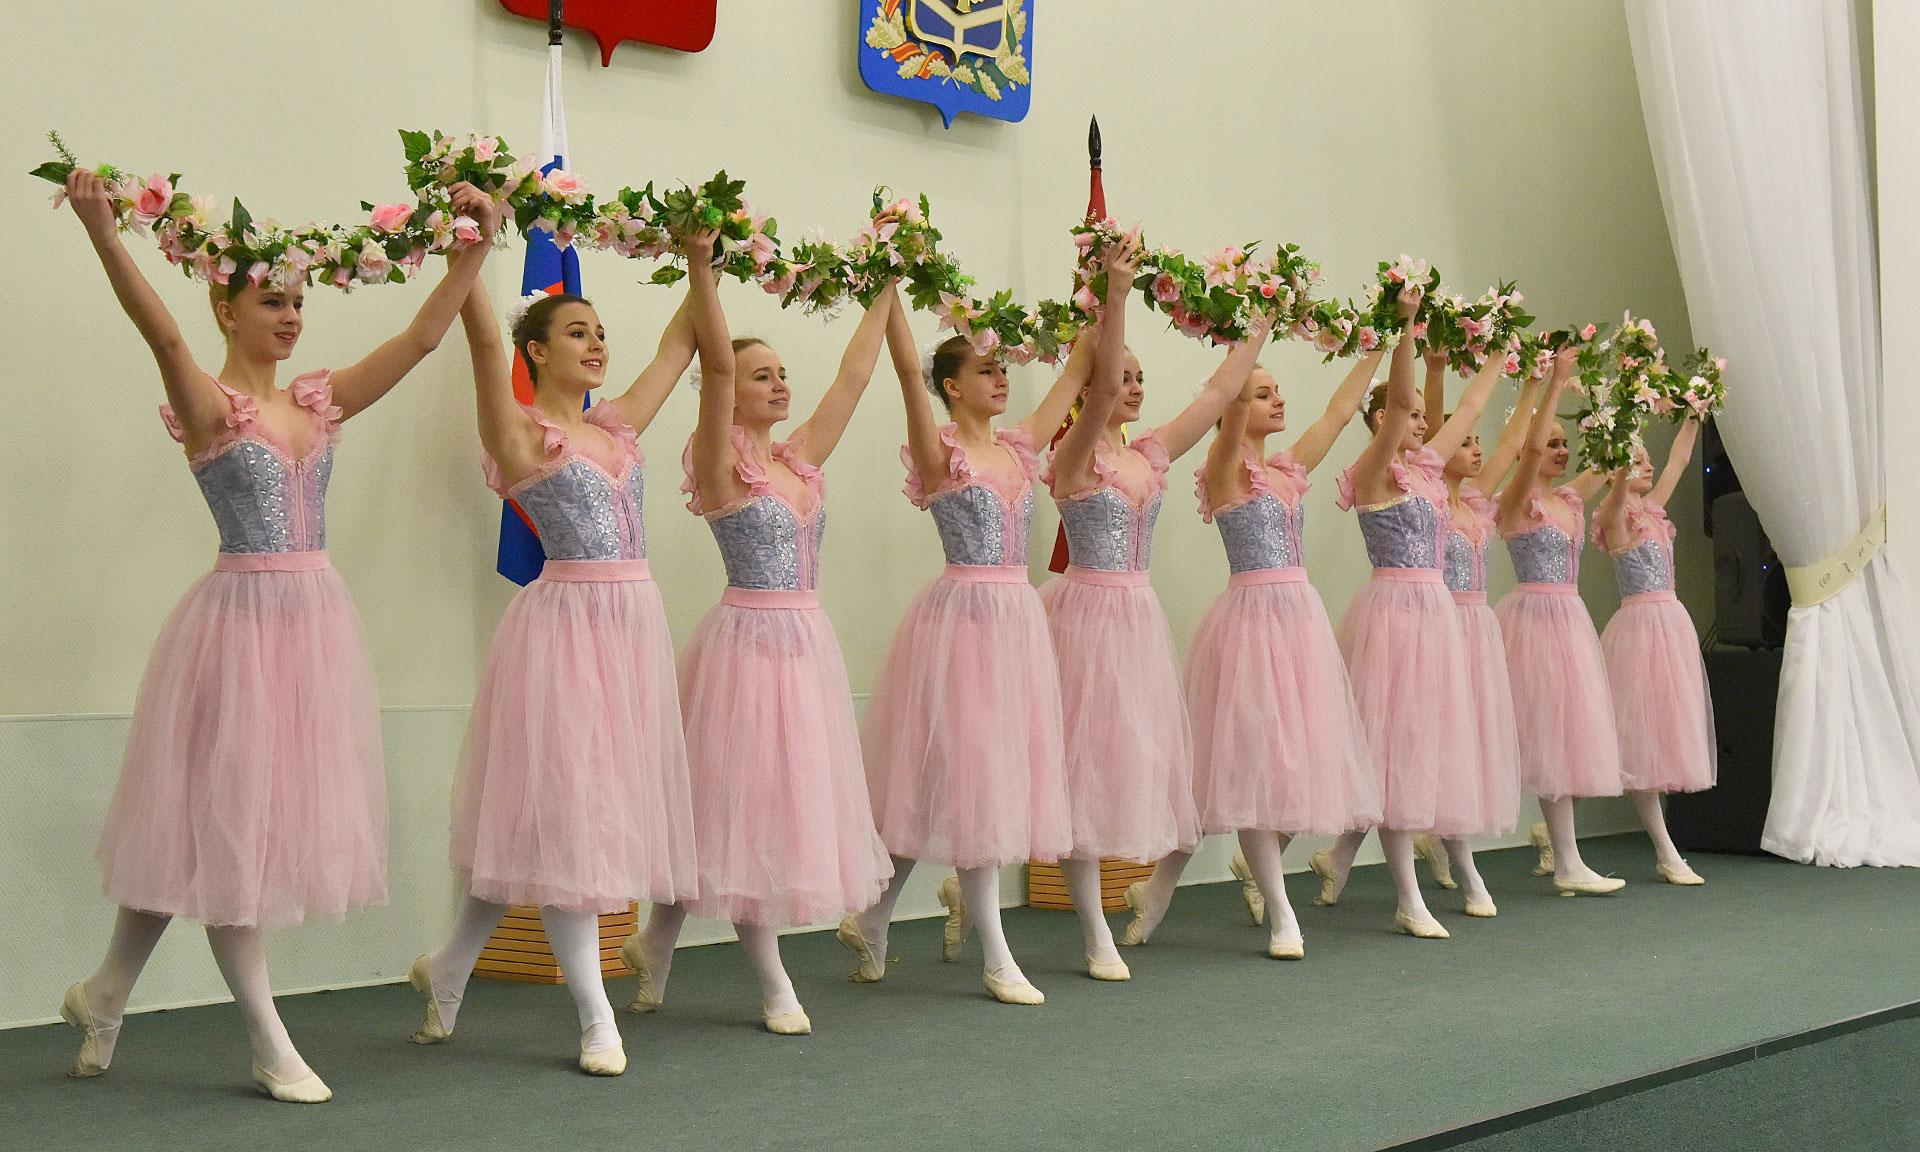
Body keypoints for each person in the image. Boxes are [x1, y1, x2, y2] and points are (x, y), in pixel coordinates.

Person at [58, 168, 498, 1101]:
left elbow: (421, 340)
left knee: (203, 829)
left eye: (299, 301)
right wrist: (105, 234)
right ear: (228, 310)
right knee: (233, 835)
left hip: (312, 629)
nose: (292, 316)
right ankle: (269, 1041)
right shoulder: (212, 405)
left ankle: (104, 994)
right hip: (238, 634)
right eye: (272, 301)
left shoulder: (317, 401)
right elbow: (162, 333)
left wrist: (475, 251)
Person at [405, 233, 715, 1076]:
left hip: (631, 632)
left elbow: (680, 343)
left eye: (600, 332)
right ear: (537, 352)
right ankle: (595, 1016)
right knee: (569, 821)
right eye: (577, 332)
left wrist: (701, 262)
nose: (597, 343)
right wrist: (472, 247)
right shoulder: (519, 433)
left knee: (545, 824)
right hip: (564, 634)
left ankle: (448, 967)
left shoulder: (618, 428)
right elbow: (482, 342)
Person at [621, 265, 896, 1036]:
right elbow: (712, 370)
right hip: (746, 647)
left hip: (806, 645)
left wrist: (887, 280)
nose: (778, 385)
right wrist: (703, 269)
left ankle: (656, 942)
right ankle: (775, 984)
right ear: (731, 393)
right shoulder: (719, 464)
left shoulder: (799, 458)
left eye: (781, 374)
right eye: (760, 376)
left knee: (747, 811)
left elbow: (854, 376)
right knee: (746, 812)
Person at [837, 300, 1091, 1004]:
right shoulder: (939, 450)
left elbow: (1077, 372)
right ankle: (998, 958)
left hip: (1016, 623)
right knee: (971, 777)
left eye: (1003, 368)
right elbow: (905, 376)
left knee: (963, 780)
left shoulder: (1018, 447)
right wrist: (891, 291)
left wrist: (1111, 288)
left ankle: (873, 917)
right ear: (952, 386)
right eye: (986, 370)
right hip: (963, 626)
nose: (1001, 378)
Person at [1593, 420, 1712, 884]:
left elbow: (1679, 459)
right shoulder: (1614, 514)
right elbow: (1616, 489)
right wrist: (1619, 449)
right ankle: (1666, 852)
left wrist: (1694, 411)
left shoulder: (1653, 510)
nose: (1648, 466)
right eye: (1636, 460)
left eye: (1646, 459)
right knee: (1639, 744)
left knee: (1662, 735)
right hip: (1640, 631)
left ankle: (1551, 828)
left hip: (1671, 625)